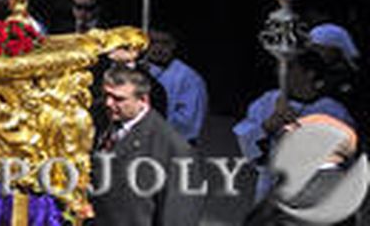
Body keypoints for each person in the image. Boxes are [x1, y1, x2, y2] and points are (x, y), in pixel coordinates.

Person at [235, 50, 358, 199]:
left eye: (290, 67)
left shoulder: (333, 111)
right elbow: (248, 148)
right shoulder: (267, 102)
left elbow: (345, 159)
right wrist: (268, 126)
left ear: (310, 73)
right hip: (270, 197)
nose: (281, 72)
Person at [91, 66, 202, 225]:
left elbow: (178, 217)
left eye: (119, 99)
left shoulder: (175, 149)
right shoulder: (104, 123)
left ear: (143, 100)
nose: (108, 103)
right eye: (106, 95)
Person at [144, 30, 208, 144]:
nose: (158, 48)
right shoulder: (137, 71)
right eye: (153, 42)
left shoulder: (189, 78)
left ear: (173, 45)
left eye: (165, 43)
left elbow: (188, 124)